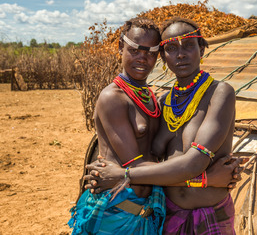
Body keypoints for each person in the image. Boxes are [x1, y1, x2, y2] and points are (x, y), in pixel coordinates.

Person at [69, 17, 239, 235]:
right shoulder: (158, 102)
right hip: (160, 214)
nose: (180, 54)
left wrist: (122, 174)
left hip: (208, 215)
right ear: (164, 56)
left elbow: (192, 162)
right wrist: (207, 179)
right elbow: (153, 163)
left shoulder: (218, 93)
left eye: (188, 46)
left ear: (202, 49)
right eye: (170, 48)